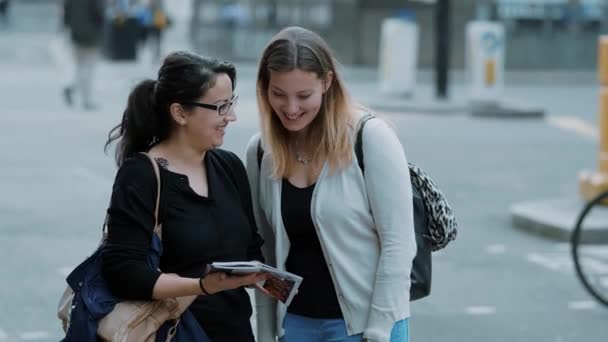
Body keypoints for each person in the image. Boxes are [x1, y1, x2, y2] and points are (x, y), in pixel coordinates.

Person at [245, 27, 417, 342]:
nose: (291, 108)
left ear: (326, 82)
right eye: (279, 94)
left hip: (365, 325)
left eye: (304, 96)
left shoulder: (370, 138)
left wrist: (379, 329)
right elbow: (266, 253)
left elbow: (399, 243)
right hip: (294, 325)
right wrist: (268, 329)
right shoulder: (260, 152)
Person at [101, 51, 267, 342]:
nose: (231, 116)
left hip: (235, 331)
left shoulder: (229, 167)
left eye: (231, 103)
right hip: (172, 332)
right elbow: (124, 272)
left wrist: (262, 275)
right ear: (179, 113)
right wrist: (201, 286)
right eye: (220, 106)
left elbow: (250, 248)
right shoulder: (142, 174)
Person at [62, 0, 104, 110]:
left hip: (76, 36)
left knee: (78, 66)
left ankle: (71, 86)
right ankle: (86, 99)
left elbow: (66, 18)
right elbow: (98, 17)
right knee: (88, 69)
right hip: (91, 38)